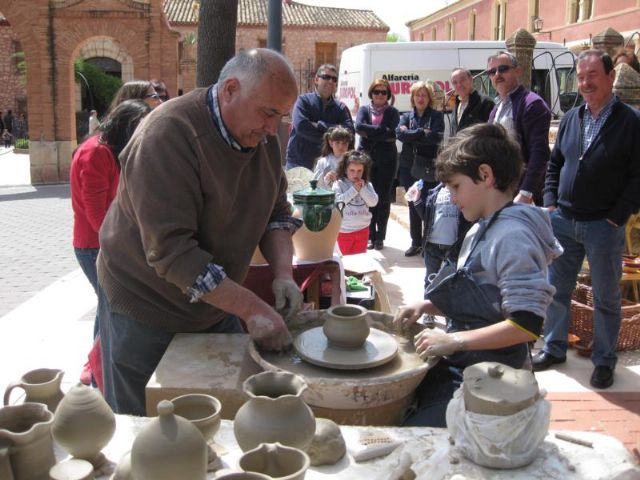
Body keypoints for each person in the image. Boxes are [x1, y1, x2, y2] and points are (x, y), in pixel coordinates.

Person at [97, 48, 304, 415]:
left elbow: (276, 213)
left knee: (221, 417)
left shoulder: (263, 137)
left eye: (282, 116)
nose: (274, 128)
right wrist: (252, 307)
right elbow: (173, 254)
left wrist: (284, 275)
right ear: (230, 90)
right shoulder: (168, 135)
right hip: (145, 304)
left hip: (212, 304)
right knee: (145, 427)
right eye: (268, 112)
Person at [394, 123, 562, 427]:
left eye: (456, 187)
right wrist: (426, 306)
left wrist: (454, 339)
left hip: (497, 380)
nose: (452, 197)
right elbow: (483, 296)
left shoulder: (513, 237)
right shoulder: (481, 227)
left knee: (418, 434)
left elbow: (526, 325)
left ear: (485, 175)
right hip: (468, 363)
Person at [533, 50, 640, 389]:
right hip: (563, 219)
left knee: (606, 298)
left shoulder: (631, 122)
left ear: (611, 77)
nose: (585, 82)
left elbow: (638, 176)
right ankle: (554, 347)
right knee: (557, 290)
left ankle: (605, 360)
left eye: (592, 75)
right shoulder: (571, 118)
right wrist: (550, 201)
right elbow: (555, 164)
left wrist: (617, 215)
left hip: (603, 227)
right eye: (580, 77)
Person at [71, 100, 151, 385]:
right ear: (125, 127)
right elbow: (96, 213)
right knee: (111, 307)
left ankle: (95, 366)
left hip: (107, 243)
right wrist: (122, 250)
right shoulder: (96, 153)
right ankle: (97, 369)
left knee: (107, 306)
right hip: (95, 245)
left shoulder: (110, 151)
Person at [488, 51, 551, 205]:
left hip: (522, 195)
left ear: (517, 71)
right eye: (492, 71)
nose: (497, 74)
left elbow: (539, 153)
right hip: (500, 189)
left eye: (502, 69)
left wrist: (526, 192)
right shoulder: (496, 108)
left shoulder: (532, 104)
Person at [396, 81, 445, 256]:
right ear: (412, 98)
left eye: (424, 95)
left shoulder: (437, 116)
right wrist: (422, 132)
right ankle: (416, 242)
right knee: (413, 204)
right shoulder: (405, 117)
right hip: (409, 167)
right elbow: (400, 134)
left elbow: (436, 138)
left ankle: (429, 243)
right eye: (417, 95)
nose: (420, 98)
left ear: (429, 98)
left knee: (429, 205)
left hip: (429, 167)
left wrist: (412, 136)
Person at [356, 79, 400, 251]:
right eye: (376, 91)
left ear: (388, 94)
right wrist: (382, 131)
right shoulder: (363, 110)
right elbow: (359, 127)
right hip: (365, 160)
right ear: (371, 93)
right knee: (367, 198)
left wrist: (370, 133)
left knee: (383, 199)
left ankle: (380, 237)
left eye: (383, 92)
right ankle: (370, 236)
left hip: (387, 160)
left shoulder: (393, 112)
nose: (380, 95)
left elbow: (393, 133)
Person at [285, 64, 354, 170]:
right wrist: (333, 135)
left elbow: (349, 132)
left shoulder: (340, 108)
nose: (331, 81)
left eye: (334, 79)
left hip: (328, 167)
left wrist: (320, 125)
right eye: (326, 77)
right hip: (298, 164)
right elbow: (301, 126)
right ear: (316, 79)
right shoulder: (303, 101)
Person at [332, 150, 378, 255]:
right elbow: (339, 202)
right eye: (352, 170)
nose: (355, 174)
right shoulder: (339, 184)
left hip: (363, 230)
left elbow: (373, 202)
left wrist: (362, 189)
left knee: (358, 262)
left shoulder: (367, 184)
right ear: (345, 169)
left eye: (359, 171)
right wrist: (354, 190)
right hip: (344, 231)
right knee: (344, 262)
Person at [449, 67, 494, 136]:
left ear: (471, 80)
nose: (459, 85)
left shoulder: (485, 102)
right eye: (455, 82)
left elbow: (492, 133)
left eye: (462, 80)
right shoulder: (456, 104)